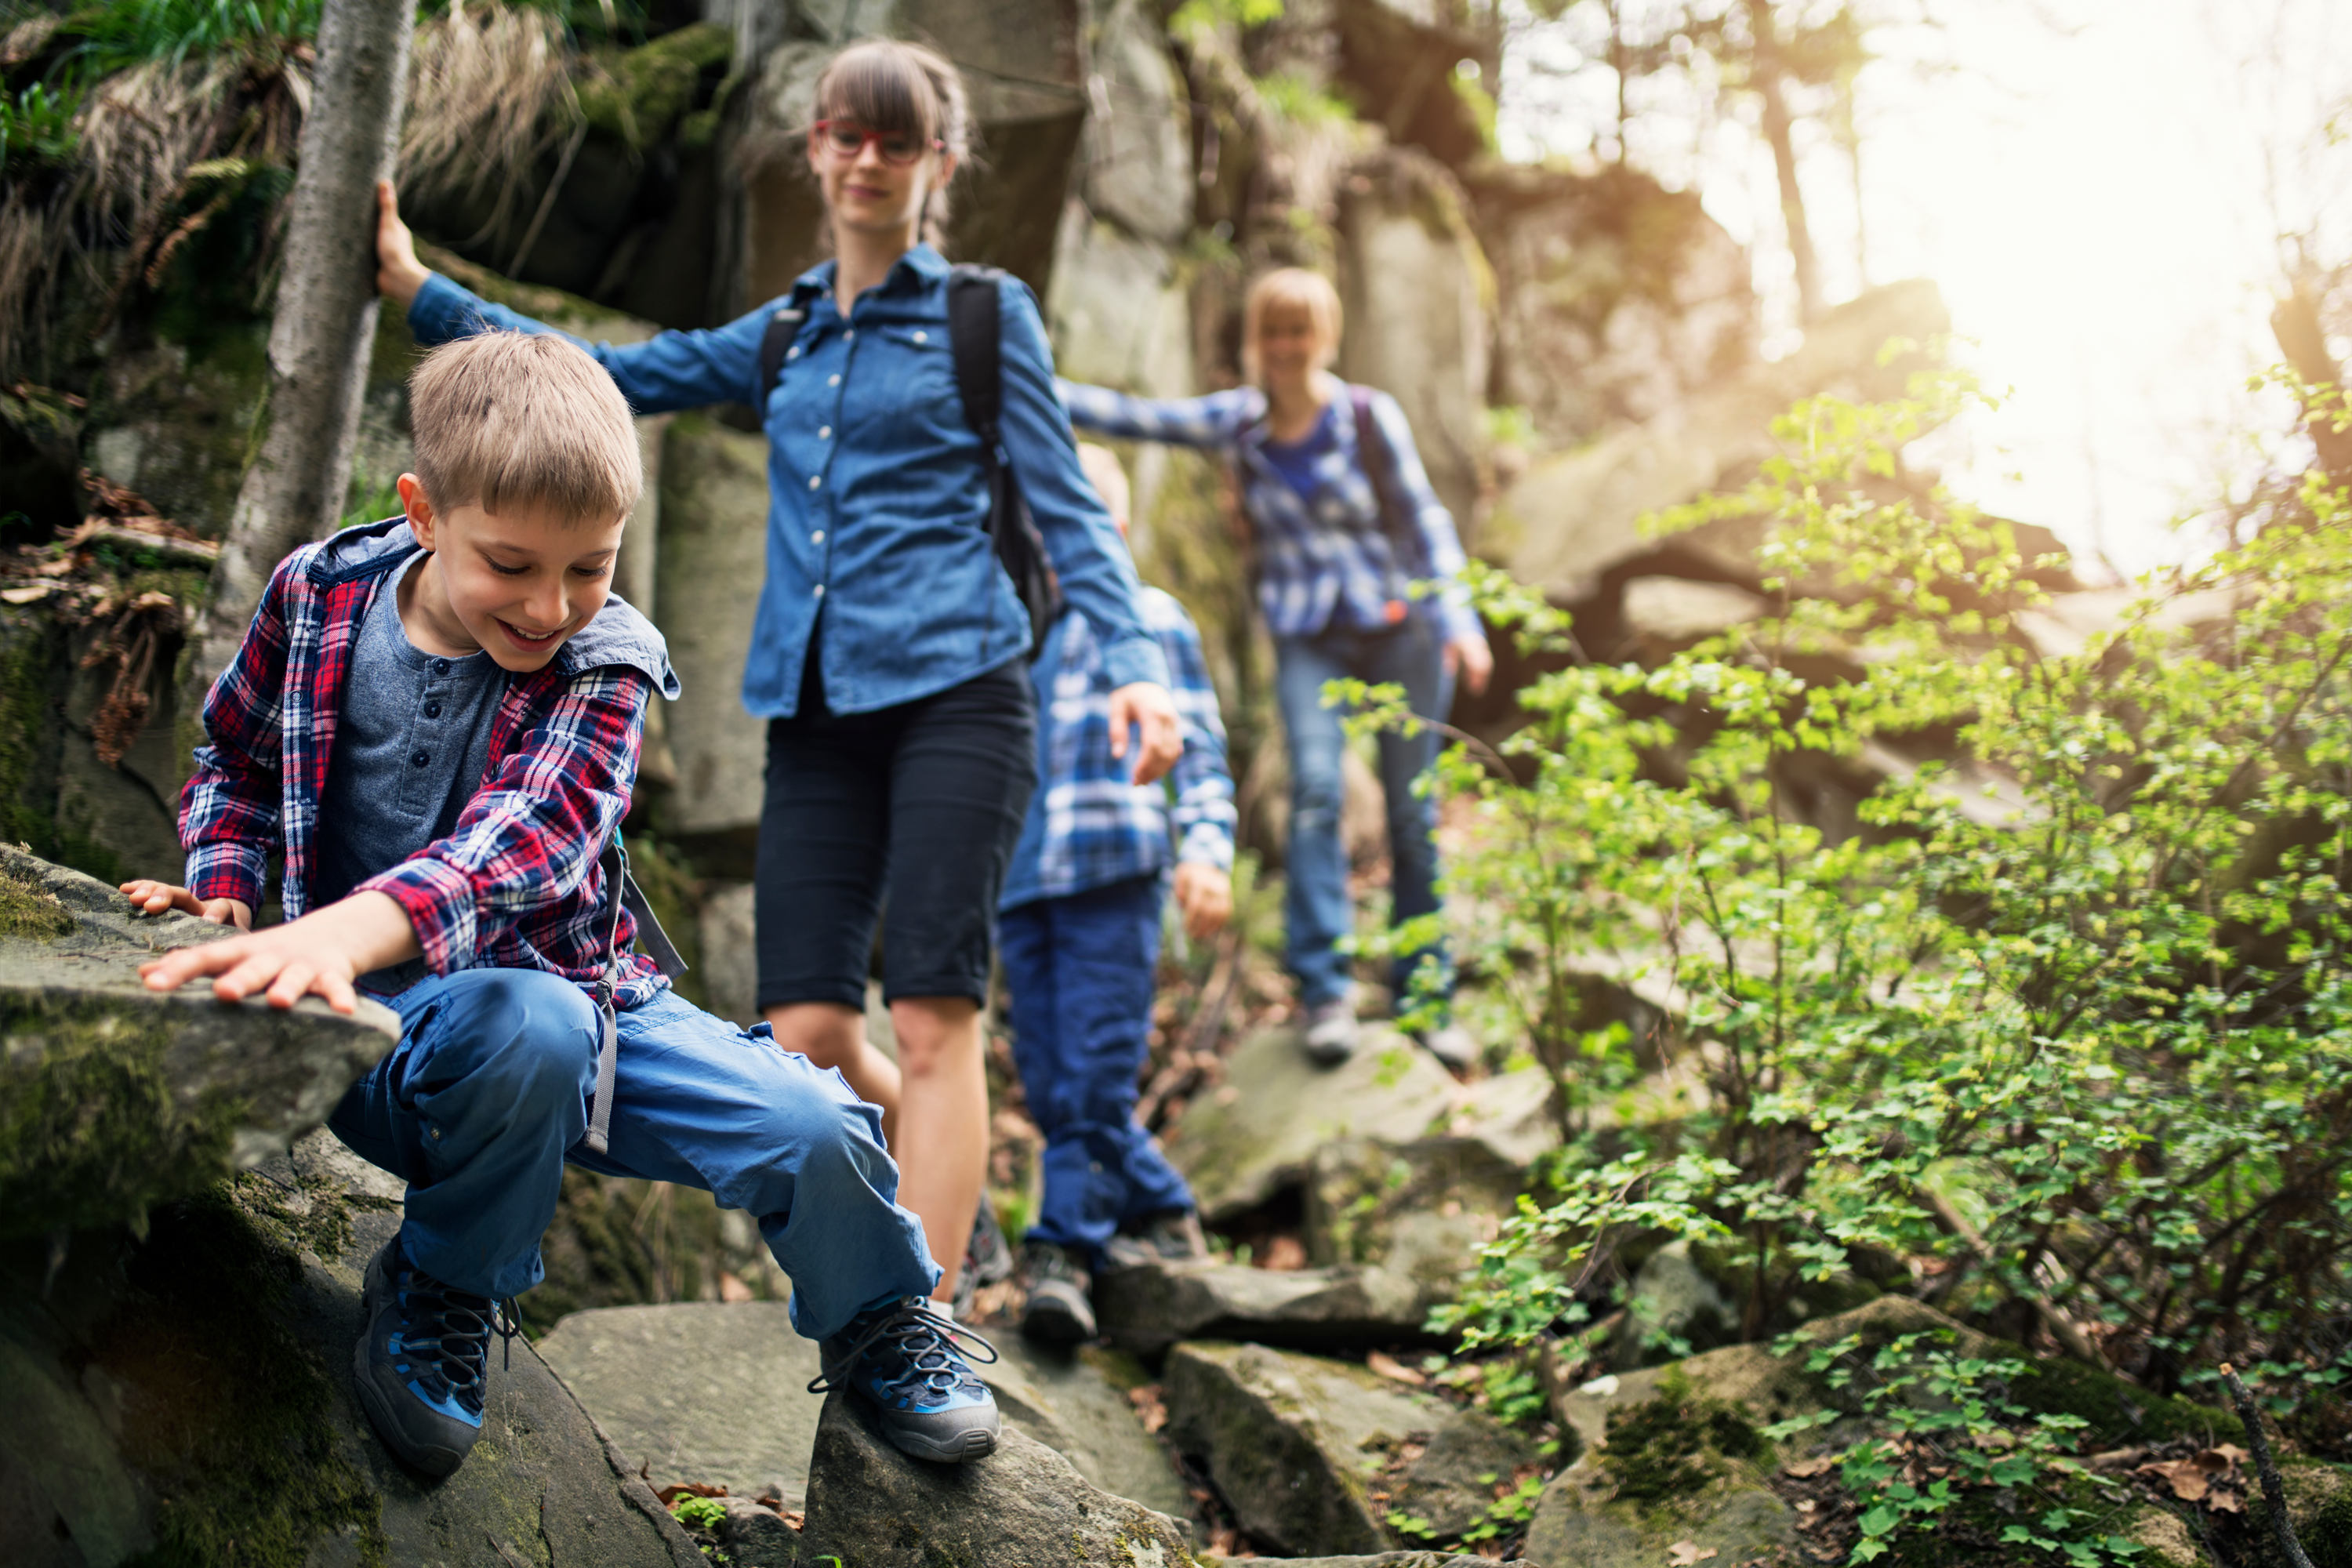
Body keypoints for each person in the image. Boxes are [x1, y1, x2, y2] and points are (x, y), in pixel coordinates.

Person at [372, 36, 1181, 1316]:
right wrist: (427, 295)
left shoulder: (985, 317)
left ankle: (916, 1316)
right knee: (804, 1034)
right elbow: (602, 376)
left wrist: (1134, 665)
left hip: (962, 694)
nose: (867, 160)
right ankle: (945, 1187)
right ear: (815, 149)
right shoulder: (788, 332)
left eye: (897, 139)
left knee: (930, 1014)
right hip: (812, 709)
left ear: (939, 164)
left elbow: (1072, 512)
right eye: (847, 135)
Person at [122, 331, 1004, 1475]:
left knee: (816, 1121)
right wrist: (232, 899)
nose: (551, 607)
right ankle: (443, 1282)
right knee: (523, 1032)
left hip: (575, 1009)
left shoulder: (609, 663)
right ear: (424, 512)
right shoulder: (320, 590)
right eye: (513, 565)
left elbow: (523, 844)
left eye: (591, 567)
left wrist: (334, 927)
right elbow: (232, 766)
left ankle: (882, 1313)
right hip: (355, 1029)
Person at [1061, 268, 1494, 1069]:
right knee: (1316, 794)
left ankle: (1425, 995)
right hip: (1309, 638)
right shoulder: (1240, 423)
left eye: (1302, 332)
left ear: (1325, 337)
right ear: (1256, 343)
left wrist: (1461, 620)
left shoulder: (1367, 416)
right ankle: (1326, 991)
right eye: (1274, 334)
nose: (1288, 348)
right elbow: (1138, 416)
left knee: (1411, 811)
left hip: (1401, 626)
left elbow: (1426, 519)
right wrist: (1022, 382)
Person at [999, 444, 1233, 1345]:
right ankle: (1165, 1207)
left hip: (1115, 874)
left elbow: (1203, 750)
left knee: (1094, 1073)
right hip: (1024, 887)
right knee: (1056, 1088)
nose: (1063, 541)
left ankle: (1060, 1254)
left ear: (1122, 529)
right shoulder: (1018, 633)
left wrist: (1208, 851)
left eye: (1083, 519)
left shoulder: (1150, 617)